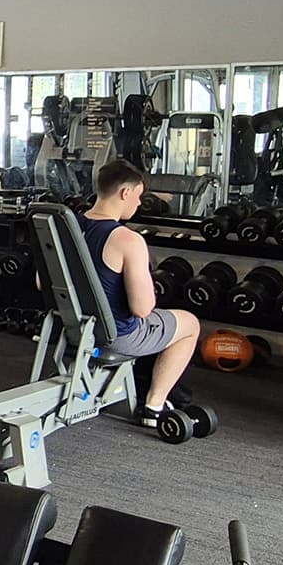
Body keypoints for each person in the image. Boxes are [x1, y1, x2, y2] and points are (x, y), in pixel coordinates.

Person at [76, 158, 201, 426]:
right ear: (125, 192)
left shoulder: (67, 228)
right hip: (115, 336)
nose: (139, 203)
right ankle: (154, 407)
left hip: (70, 329)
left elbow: (43, 283)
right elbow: (142, 309)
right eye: (139, 196)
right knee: (189, 324)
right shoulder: (128, 240)